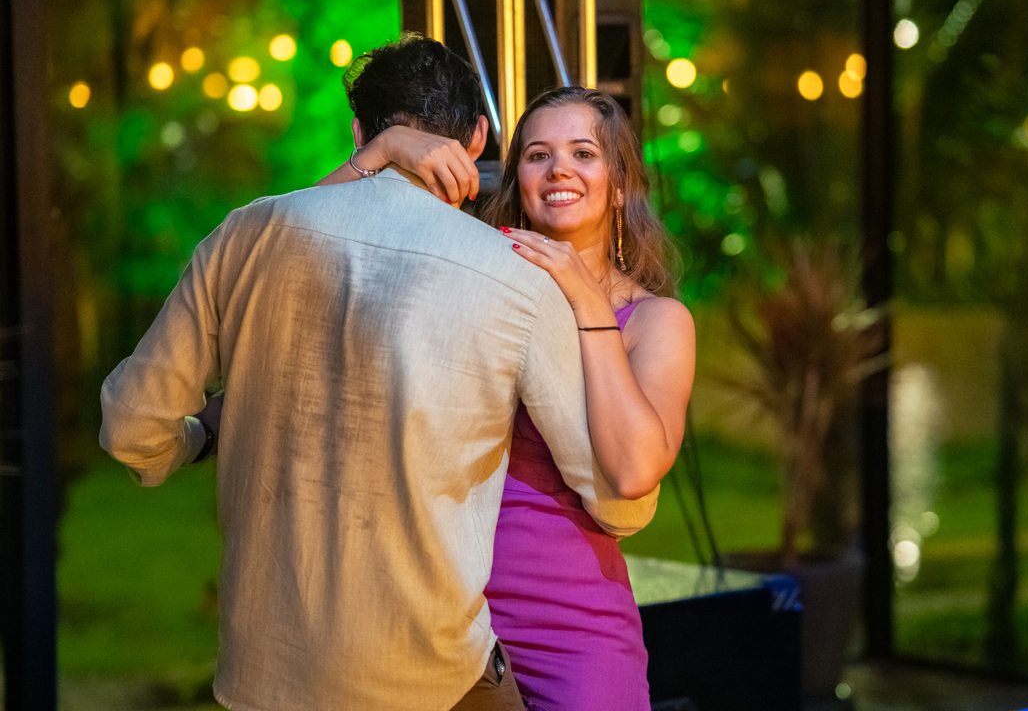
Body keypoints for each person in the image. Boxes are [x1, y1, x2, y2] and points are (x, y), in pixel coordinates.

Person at [99, 36, 656, 711]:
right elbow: (624, 500)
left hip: (262, 676)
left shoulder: (245, 234)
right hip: (430, 679)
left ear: (360, 131)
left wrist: (188, 441)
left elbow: (131, 427)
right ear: (479, 135)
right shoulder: (517, 279)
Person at [337, 86, 696, 711]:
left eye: (584, 153)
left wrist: (585, 298)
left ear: (618, 186)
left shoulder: (654, 320)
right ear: (518, 178)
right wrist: (384, 148)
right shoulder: (474, 278)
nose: (559, 169)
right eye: (537, 155)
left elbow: (636, 467)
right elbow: (306, 240)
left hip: (573, 629)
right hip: (447, 620)